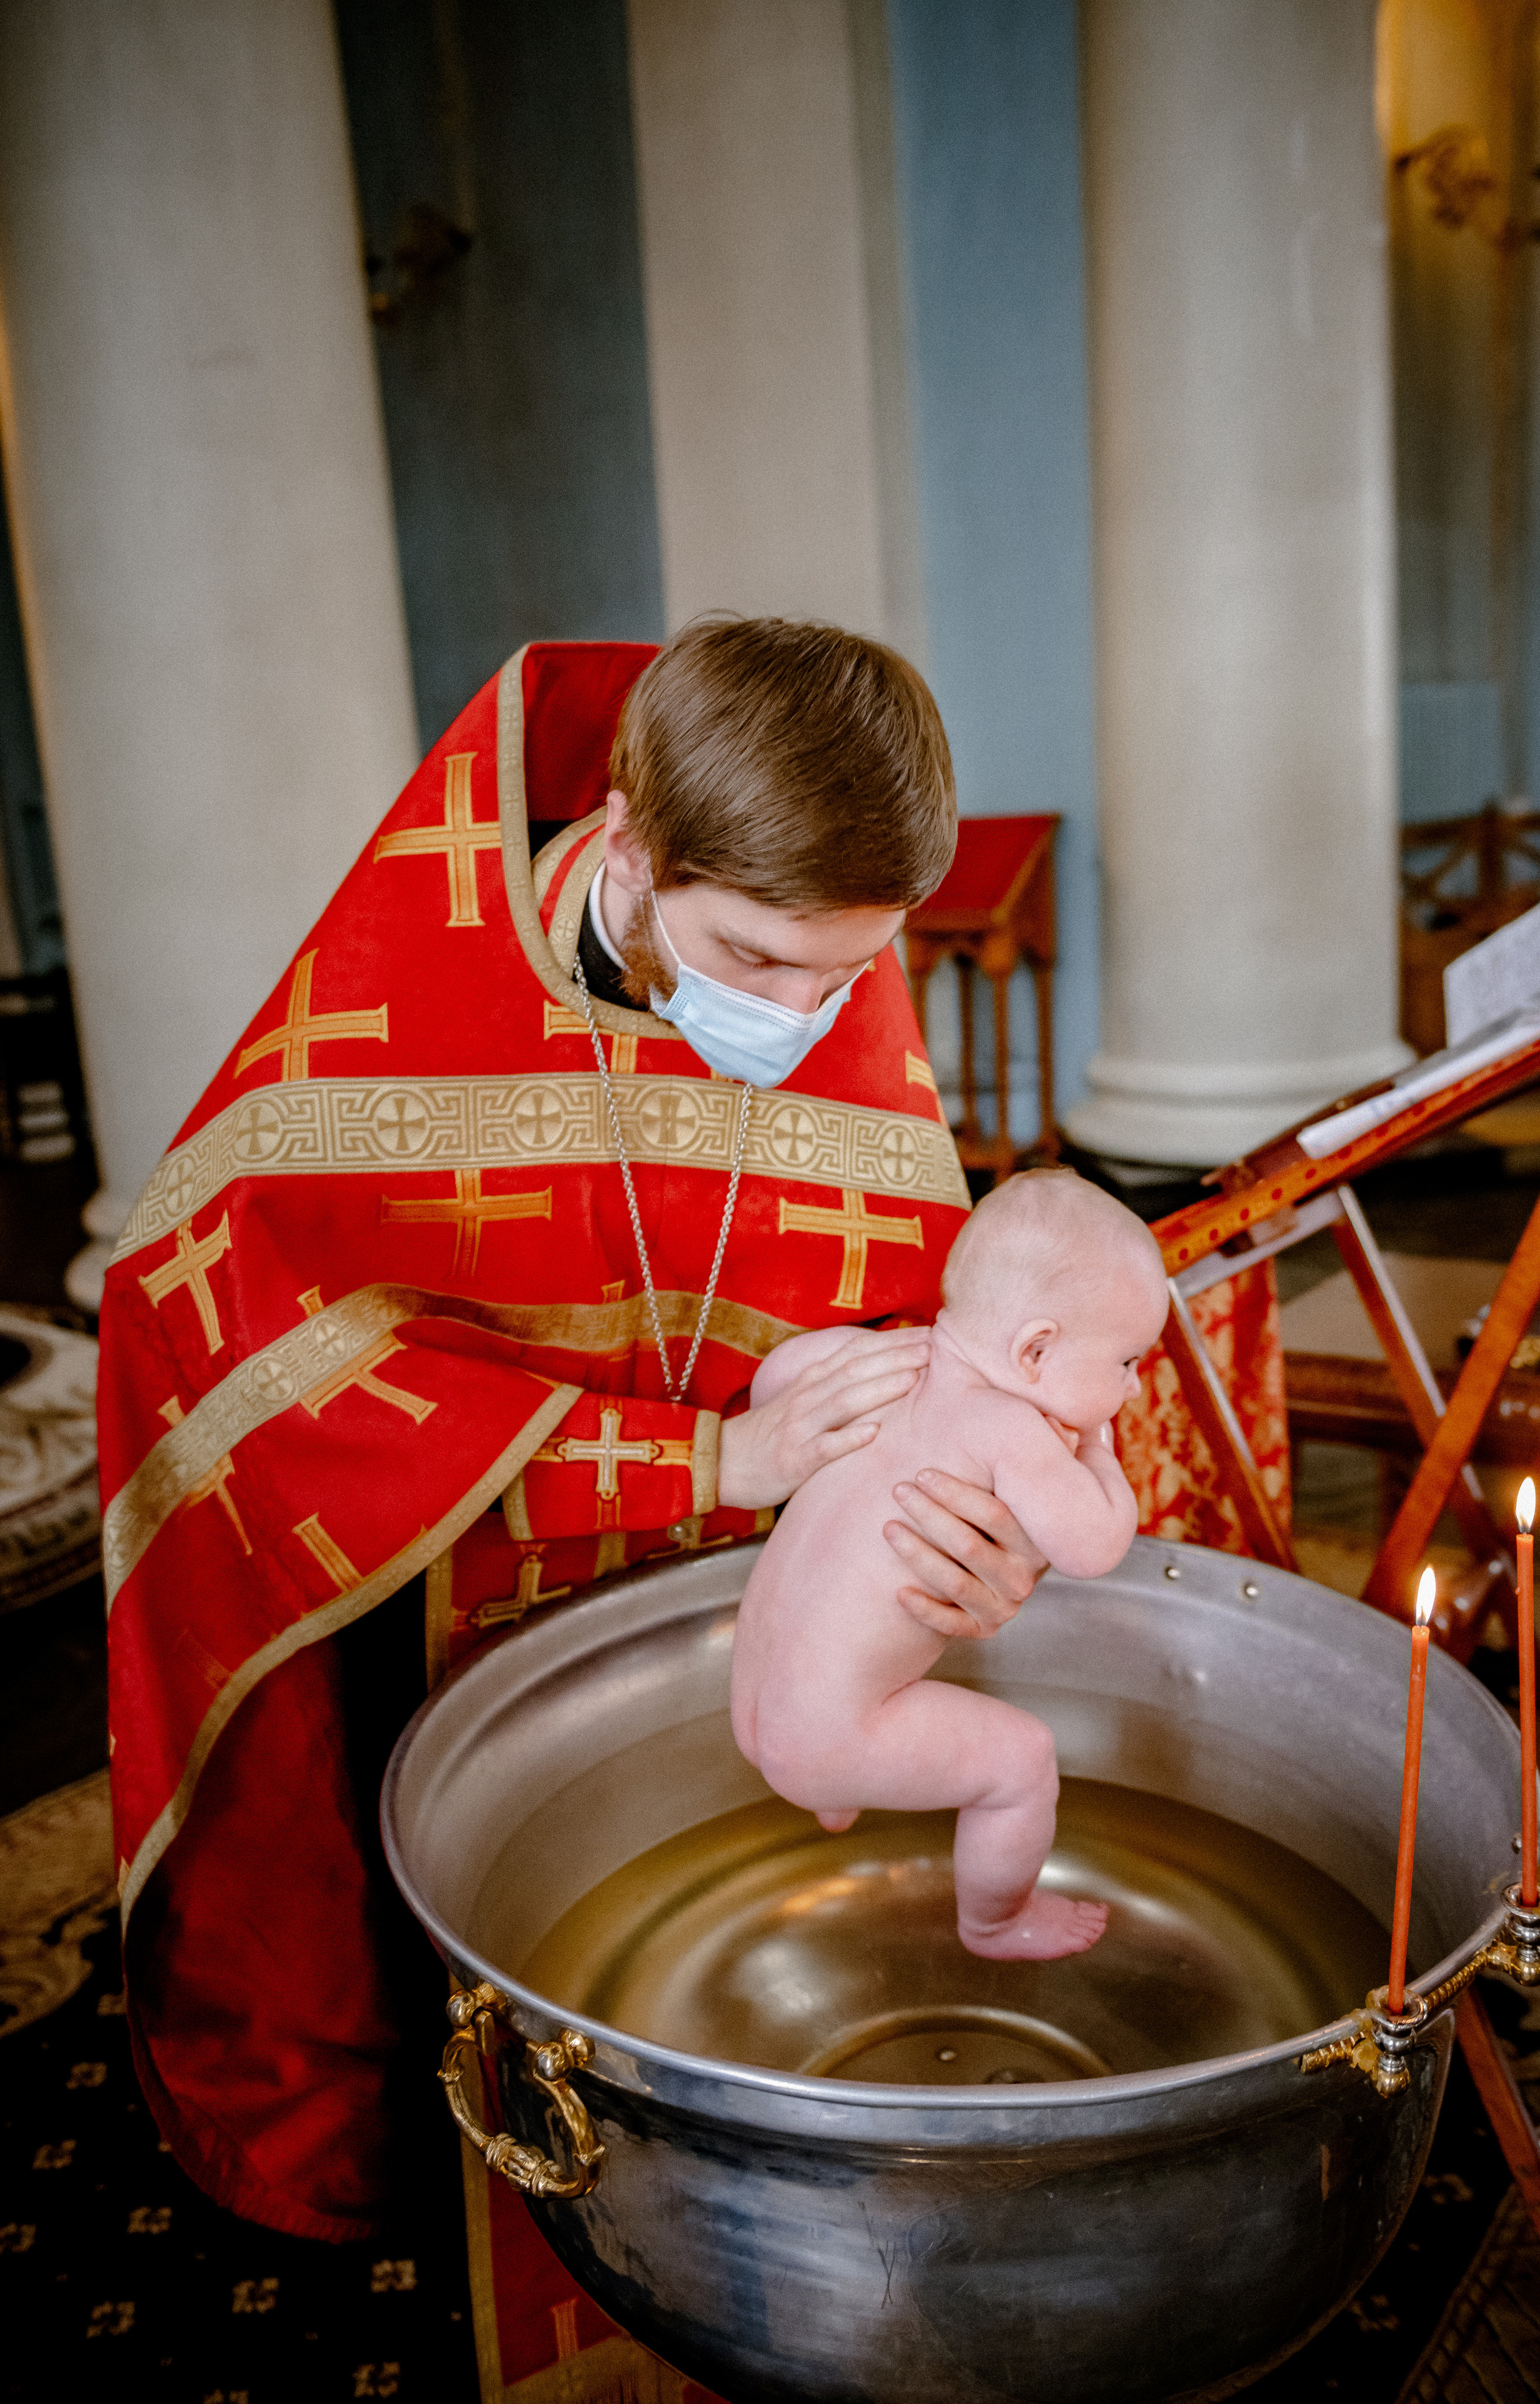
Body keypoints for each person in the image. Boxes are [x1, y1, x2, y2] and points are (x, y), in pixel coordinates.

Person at [98, 619, 1058, 2245]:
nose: (811, 1013)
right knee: (440, 1954)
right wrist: (698, 1462)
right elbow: (247, 1354)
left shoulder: (816, 918)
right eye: (757, 962)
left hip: (736, 1612)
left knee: (702, 1980)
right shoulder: (417, 982)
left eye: (852, 970)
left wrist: (970, 1513)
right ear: (626, 844)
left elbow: (904, 1304)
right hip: (431, 1597)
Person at [732, 1169, 1168, 1959]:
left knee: (841, 1684)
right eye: (1127, 1362)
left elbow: (775, 1384)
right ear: (1034, 1350)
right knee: (1022, 1764)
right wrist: (1099, 1456)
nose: (1133, 1389)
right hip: (824, 1740)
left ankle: (837, 1786)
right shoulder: (1007, 1426)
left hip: (750, 1706)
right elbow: (1094, 1546)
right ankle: (996, 1922)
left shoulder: (869, 1360)